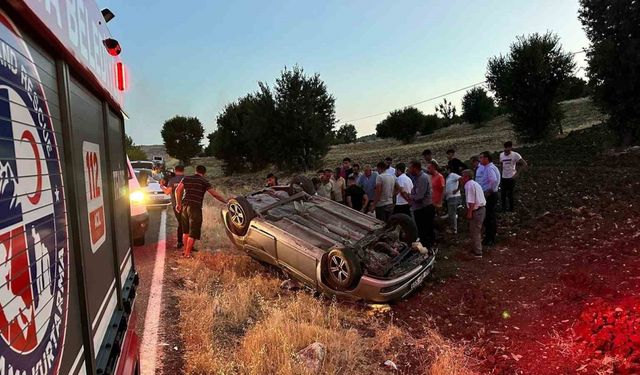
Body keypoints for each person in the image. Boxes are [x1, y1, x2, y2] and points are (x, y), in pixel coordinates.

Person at [175, 165, 228, 257]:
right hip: (195, 207)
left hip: (184, 206)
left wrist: (178, 204)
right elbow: (215, 194)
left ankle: (185, 251)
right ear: (204, 173)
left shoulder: (186, 178)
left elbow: (177, 190)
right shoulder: (204, 181)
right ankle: (187, 254)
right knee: (194, 230)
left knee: (186, 230)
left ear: (195, 171)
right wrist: (226, 201)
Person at [475, 151, 501, 246]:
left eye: (481, 157)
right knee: (488, 216)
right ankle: (489, 236)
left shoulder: (489, 168)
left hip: (490, 195)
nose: (480, 159)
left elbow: (493, 181)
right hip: (488, 194)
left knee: (489, 216)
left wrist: (488, 192)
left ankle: (490, 238)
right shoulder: (487, 167)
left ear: (486, 158)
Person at [408, 160, 435, 248]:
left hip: (423, 209)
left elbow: (420, 196)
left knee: (424, 230)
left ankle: (428, 249)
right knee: (425, 230)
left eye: (410, 167)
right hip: (421, 208)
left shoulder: (422, 178)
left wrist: (411, 197)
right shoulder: (418, 178)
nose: (409, 169)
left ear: (415, 168)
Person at [461, 169, 486, 258]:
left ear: (467, 177)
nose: (461, 178)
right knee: (476, 230)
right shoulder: (474, 183)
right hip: (481, 209)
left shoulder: (469, 185)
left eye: (463, 176)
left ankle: (478, 252)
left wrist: (469, 212)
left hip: (476, 210)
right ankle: (476, 248)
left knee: (475, 231)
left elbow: (471, 201)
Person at [499, 141, 527, 212]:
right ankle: (503, 209)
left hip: (511, 177)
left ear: (511, 148)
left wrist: (517, 174)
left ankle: (511, 210)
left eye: (508, 148)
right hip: (503, 177)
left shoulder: (515, 155)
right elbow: (501, 164)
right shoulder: (501, 155)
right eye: (505, 148)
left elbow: (524, 164)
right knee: (503, 195)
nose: (506, 150)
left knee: (510, 194)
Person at [162, 165, 185, 248]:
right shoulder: (187, 179)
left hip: (176, 205)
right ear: (183, 170)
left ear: (175, 170)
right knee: (187, 223)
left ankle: (180, 242)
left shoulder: (172, 180)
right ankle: (189, 243)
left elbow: (167, 192)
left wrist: (161, 186)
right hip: (187, 205)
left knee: (181, 223)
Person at [443, 169, 462, 234]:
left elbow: (461, 179)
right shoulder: (447, 178)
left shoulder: (453, 175)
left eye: (445, 170)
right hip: (449, 198)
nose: (444, 172)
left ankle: (454, 229)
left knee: (452, 214)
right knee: (452, 213)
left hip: (454, 197)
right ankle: (454, 226)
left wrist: (457, 189)